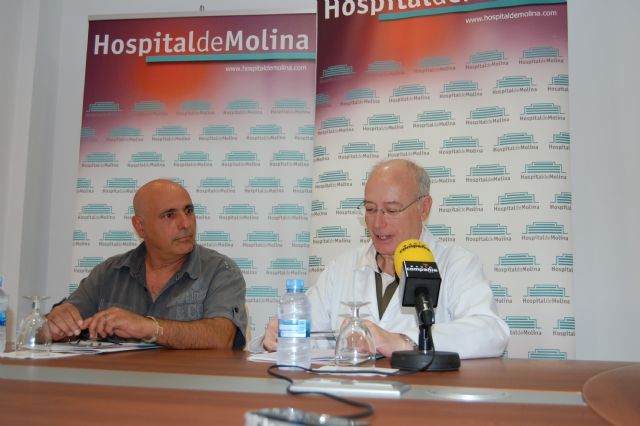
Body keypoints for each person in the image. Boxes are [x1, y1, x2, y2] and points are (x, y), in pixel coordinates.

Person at [254, 159, 509, 358]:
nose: (377, 223)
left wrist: (402, 341)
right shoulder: (342, 268)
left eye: (392, 210)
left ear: (424, 208)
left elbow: (491, 332)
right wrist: (280, 334)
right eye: (370, 209)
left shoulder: (456, 263)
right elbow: (307, 336)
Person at [47, 179, 247, 349]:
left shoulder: (220, 270)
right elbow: (49, 329)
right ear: (140, 226)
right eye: (169, 215)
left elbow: (222, 338)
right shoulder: (110, 272)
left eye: (188, 211)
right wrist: (55, 324)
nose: (186, 224)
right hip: (119, 381)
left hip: (189, 382)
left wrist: (150, 328)